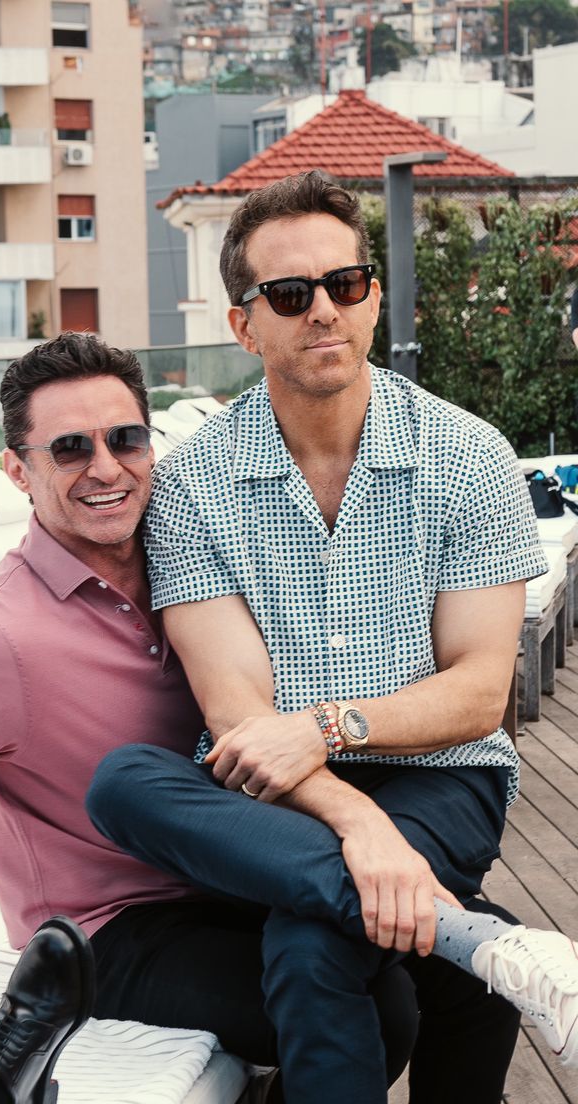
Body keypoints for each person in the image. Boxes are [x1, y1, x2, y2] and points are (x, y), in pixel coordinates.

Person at [0, 333, 522, 1104]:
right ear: (16, 469)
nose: (105, 468)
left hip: (236, 874)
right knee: (383, 996)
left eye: (125, 439)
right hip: (115, 932)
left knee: (476, 985)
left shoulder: (196, 555)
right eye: (68, 449)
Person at [85, 172, 578, 1100]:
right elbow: (238, 715)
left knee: (311, 944)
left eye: (345, 285)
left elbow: (479, 694)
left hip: (444, 772)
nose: (324, 312)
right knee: (122, 783)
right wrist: (359, 824)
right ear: (246, 326)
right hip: (273, 791)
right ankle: (481, 941)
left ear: (374, 297)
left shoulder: (467, 455)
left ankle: (467, 937)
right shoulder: (193, 487)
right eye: (290, 294)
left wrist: (327, 728)